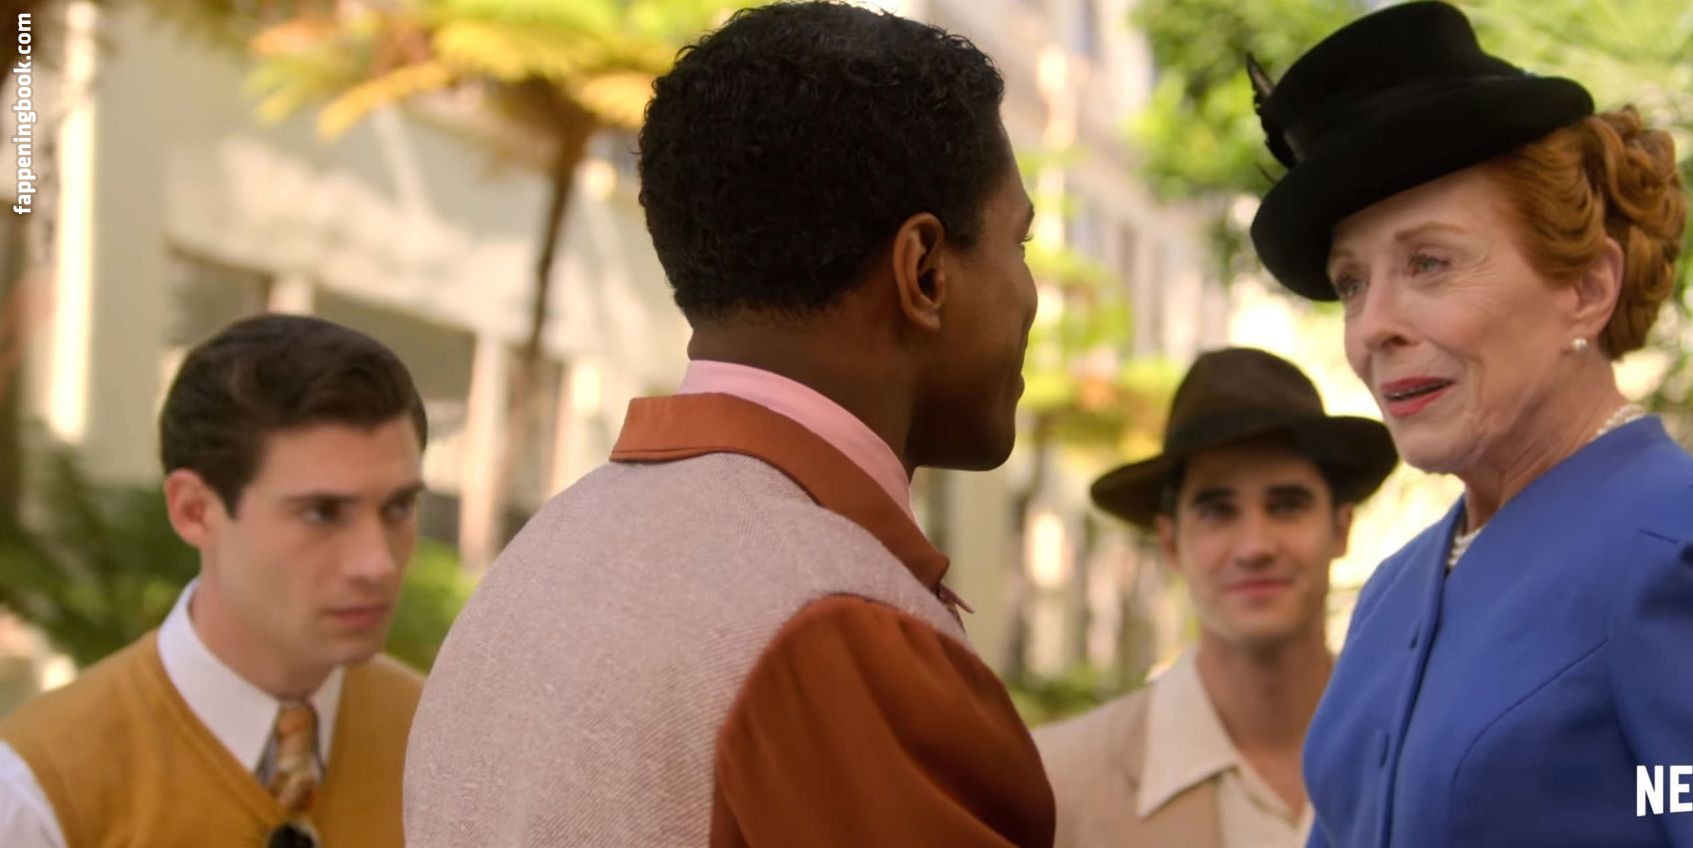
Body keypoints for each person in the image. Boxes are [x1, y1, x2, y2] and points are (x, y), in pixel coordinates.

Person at [1241, 3, 1693, 845]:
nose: (1373, 327)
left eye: (1429, 262)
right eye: (1353, 283)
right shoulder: (1391, 595)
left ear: (1586, 288)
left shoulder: (1684, 557)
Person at [402, 4, 1052, 846]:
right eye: (1019, 245)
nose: (1031, 297)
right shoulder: (836, 626)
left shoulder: (529, 567)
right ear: (923, 271)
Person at [0, 314, 430, 847]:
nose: (377, 563)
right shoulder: (40, 793)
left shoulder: (446, 743)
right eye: (322, 513)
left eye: (398, 507)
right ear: (194, 511)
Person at [1034, 348, 1396, 848]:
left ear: (1341, 528)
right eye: (1217, 511)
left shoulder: (1421, 754)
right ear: (1171, 543)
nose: (1255, 547)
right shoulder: (1059, 785)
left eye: (1287, 506)